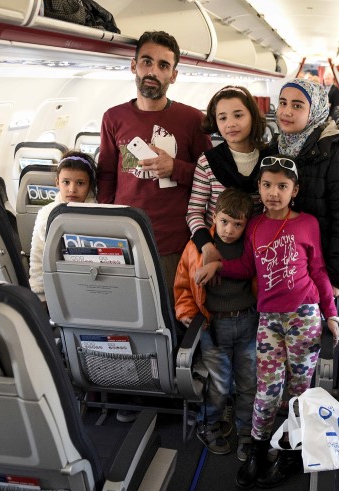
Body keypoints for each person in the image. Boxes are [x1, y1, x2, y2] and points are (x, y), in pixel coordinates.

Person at [195, 157, 339, 489]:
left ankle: (289, 452)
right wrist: (218, 267)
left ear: (295, 190)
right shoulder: (256, 225)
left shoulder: (308, 224)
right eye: (267, 185)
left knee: (299, 390)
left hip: (304, 313)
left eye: (282, 186)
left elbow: (317, 270)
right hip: (270, 318)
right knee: (267, 390)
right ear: (258, 188)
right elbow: (247, 266)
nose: (274, 193)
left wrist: (330, 312)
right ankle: (260, 450)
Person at [97, 30, 211, 297]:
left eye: (163, 65)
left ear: (173, 75)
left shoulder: (193, 120)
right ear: (134, 66)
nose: (153, 71)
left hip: (176, 243)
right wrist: (107, 224)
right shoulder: (113, 118)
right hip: (126, 240)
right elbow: (106, 177)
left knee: (174, 320)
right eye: (147, 61)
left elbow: (210, 176)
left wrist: (176, 168)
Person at [175, 187, 257, 459]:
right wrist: (186, 310)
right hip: (213, 326)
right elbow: (184, 286)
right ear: (214, 217)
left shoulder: (252, 247)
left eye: (237, 224)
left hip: (247, 322)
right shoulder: (197, 248)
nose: (229, 230)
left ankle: (246, 430)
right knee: (220, 384)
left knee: (248, 382)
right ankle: (208, 423)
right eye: (224, 221)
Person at [264, 77, 339, 295]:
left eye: (297, 105)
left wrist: (337, 276)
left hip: (320, 268)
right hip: (279, 262)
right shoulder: (275, 147)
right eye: (282, 103)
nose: (286, 111)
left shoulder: (336, 154)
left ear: (316, 110)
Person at [187, 85, 267, 266]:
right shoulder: (208, 161)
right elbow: (194, 212)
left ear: (252, 117)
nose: (230, 123)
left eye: (238, 115)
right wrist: (207, 246)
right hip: (216, 248)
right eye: (222, 118)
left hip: (258, 251)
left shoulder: (270, 160)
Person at [28, 151, 98, 296]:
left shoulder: (99, 213)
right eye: (66, 182)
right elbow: (38, 255)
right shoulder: (46, 214)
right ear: (57, 182)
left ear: (90, 185)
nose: (72, 189)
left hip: (94, 282)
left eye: (80, 183)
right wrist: (40, 292)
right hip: (58, 283)